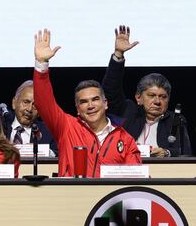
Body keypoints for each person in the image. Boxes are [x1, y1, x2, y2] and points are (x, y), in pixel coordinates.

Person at [32, 29, 141, 177]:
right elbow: (44, 103)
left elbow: (136, 179)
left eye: (95, 99)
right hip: (71, 192)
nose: (90, 106)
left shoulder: (125, 138)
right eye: (84, 102)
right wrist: (41, 64)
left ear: (105, 103)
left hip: (109, 193)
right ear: (77, 109)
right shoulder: (67, 127)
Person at [101, 25, 192, 157]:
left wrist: (166, 153)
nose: (157, 101)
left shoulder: (175, 120)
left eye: (163, 97)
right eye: (151, 95)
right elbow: (110, 91)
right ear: (139, 98)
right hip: (127, 167)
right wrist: (118, 55)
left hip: (161, 169)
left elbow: (186, 154)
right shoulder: (128, 111)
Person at [0, 52, 57, 154]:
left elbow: (59, 154)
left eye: (35, 105)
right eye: (26, 102)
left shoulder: (48, 132)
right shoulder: (0, 119)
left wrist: (38, 151)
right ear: (14, 102)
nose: (29, 109)